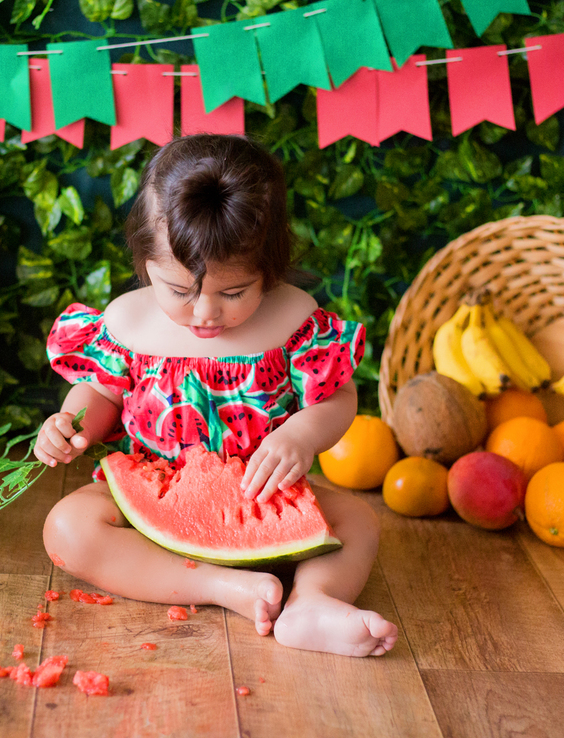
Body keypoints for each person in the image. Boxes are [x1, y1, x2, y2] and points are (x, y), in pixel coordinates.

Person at [35, 133, 397, 657]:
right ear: (145, 262)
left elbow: (337, 398)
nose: (205, 313)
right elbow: (100, 392)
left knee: (360, 522)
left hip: (264, 499)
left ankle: (312, 604)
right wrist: (72, 423)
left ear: (268, 272)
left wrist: (302, 434)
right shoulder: (127, 323)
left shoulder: (293, 320)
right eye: (179, 291)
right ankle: (225, 588)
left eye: (233, 293)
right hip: (153, 504)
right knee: (67, 528)